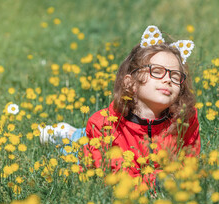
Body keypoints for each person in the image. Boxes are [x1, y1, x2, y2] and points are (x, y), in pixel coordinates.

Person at [39, 25, 200, 186]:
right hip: (93, 150)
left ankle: (75, 133)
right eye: (156, 71)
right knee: (75, 154)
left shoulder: (185, 121)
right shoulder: (103, 125)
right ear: (131, 84)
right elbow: (116, 178)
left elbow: (189, 164)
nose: (167, 79)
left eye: (175, 75)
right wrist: (158, 180)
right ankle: (67, 135)